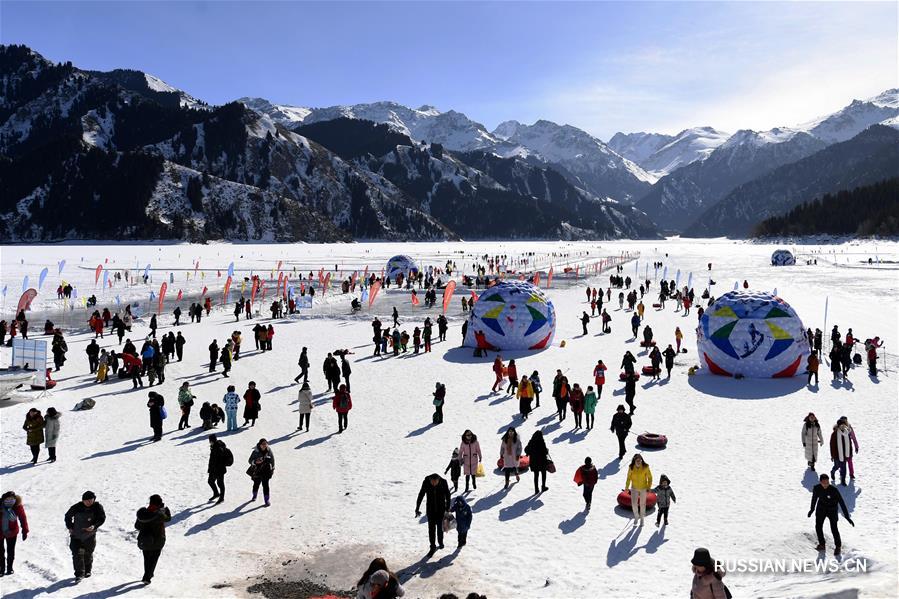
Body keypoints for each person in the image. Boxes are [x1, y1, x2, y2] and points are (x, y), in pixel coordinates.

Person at [65, 491, 106, 580]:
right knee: (77, 553)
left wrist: (94, 526)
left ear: (94, 500)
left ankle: (87, 570)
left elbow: (102, 518)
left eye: (91, 500)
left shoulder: (97, 507)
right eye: (86, 500)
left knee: (88, 553)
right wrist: (70, 527)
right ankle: (79, 574)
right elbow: (67, 516)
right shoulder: (77, 507)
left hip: (90, 535)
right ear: (83, 500)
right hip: (76, 534)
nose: (89, 502)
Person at [809, 474, 854, 555]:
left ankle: (838, 546)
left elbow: (842, 503)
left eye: (827, 482)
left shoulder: (834, 490)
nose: (826, 484)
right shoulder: (817, 488)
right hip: (821, 509)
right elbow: (814, 499)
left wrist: (847, 517)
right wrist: (812, 509)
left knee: (834, 528)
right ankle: (822, 544)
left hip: (832, 510)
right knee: (818, 526)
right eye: (824, 482)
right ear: (820, 482)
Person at [134, 494, 171, 585]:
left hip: (144, 540)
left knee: (147, 558)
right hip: (158, 539)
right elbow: (168, 519)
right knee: (154, 558)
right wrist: (167, 511)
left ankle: (148, 574)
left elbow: (137, 526)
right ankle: (147, 576)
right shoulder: (160, 514)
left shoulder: (143, 513)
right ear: (159, 504)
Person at [414, 473, 451, 555]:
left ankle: (440, 541)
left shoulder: (444, 482)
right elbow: (421, 495)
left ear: (438, 480)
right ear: (430, 480)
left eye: (435, 482)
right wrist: (417, 508)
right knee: (431, 530)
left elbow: (448, 495)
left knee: (440, 528)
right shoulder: (426, 482)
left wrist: (448, 507)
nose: (434, 484)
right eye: (432, 482)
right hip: (430, 511)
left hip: (441, 510)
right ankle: (432, 546)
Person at [0, 491, 28, 576]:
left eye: (12, 500)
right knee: (0, 551)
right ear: (3, 500)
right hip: (0, 532)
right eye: (8, 500)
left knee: (10, 550)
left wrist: (25, 530)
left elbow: (23, 518)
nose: (10, 502)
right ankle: (1, 569)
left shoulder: (17, 506)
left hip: (12, 531)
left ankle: (9, 568)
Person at [625, 454, 653, 526]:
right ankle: (636, 516)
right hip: (634, 488)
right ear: (634, 460)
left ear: (641, 460)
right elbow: (628, 478)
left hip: (643, 488)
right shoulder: (631, 467)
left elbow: (650, 477)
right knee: (634, 504)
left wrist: (648, 487)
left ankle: (642, 518)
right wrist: (626, 487)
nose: (639, 462)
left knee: (642, 504)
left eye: (640, 460)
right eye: (637, 460)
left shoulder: (645, 467)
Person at [248, 439, 275, 506]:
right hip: (257, 471)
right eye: (263, 444)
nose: (264, 445)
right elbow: (250, 460)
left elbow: (272, 460)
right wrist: (255, 462)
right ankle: (254, 495)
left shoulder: (269, 450)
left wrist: (273, 469)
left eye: (265, 444)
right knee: (256, 484)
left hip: (266, 471)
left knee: (266, 486)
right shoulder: (255, 451)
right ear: (260, 444)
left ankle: (266, 500)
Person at [207, 434, 231, 503]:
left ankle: (222, 497)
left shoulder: (218, 447)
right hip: (213, 469)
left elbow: (221, 459)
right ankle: (216, 493)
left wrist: (218, 466)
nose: (209, 442)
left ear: (212, 440)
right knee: (210, 481)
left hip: (219, 469)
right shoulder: (213, 446)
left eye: (210, 440)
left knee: (220, 483)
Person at [524, 431, 550, 495]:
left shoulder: (531, 441)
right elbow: (545, 452)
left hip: (534, 462)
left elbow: (526, 450)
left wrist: (530, 453)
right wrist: (547, 450)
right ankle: (543, 487)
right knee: (543, 474)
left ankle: (536, 489)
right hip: (542, 461)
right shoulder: (541, 441)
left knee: (536, 475)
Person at [829, 419, 853, 485]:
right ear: (838, 426)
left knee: (844, 468)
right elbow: (832, 445)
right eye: (841, 425)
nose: (842, 426)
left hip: (845, 454)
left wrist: (850, 452)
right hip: (837, 455)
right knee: (837, 466)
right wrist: (832, 455)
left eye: (844, 425)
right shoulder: (834, 434)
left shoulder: (847, 433)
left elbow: (849, 444)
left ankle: (843, 480)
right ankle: (832, 472)